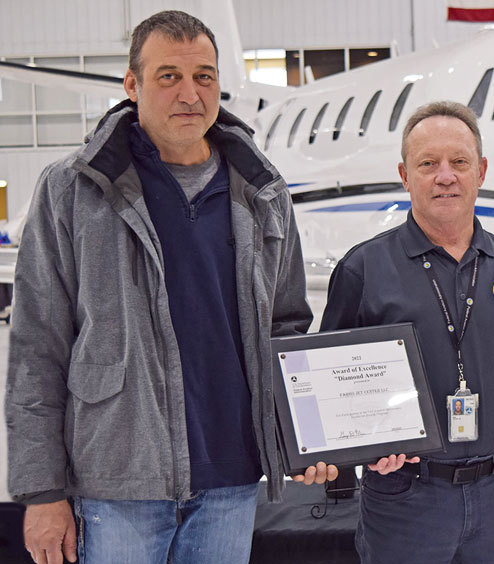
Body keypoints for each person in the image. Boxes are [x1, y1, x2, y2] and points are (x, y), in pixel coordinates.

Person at [5, 11, 336, 564]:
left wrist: (309, 438)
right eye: (169, 77)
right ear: (132, 85)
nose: (190, 94)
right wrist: (42, 493)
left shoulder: (262, 191)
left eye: (204, 76)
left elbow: (286, 327)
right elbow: (37, 348)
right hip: (118, 482)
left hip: (230, 479)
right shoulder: (73, 190)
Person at [320, 101, 494, 564]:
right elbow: (331, 389)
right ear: (405, 175)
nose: (445, 176)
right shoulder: (363, 269)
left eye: (459, 162)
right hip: (405, 498)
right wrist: (366, 447)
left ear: (480, 171)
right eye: (428, 164)